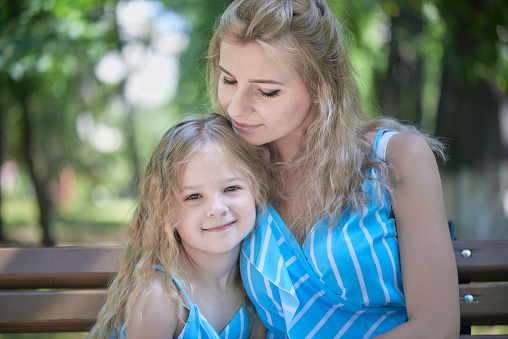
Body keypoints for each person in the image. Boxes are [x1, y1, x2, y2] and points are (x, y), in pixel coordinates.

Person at [207, 0, 460, 338]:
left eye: (266, 91)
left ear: (319, 89)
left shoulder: (397, 157)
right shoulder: (232, 172)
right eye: (228, 80)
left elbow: (437, 327)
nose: (236, 106)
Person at [88, 113, 269, 339]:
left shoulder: (258, 287)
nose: (216, 208)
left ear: (256, 188)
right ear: (167, 210)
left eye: (231, 188)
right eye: (193, 196)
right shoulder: (159, 297)